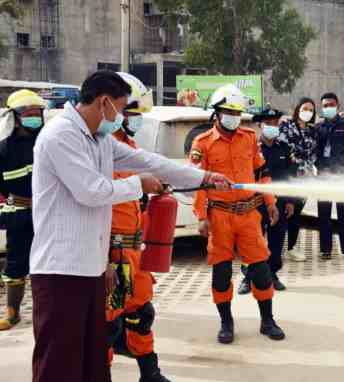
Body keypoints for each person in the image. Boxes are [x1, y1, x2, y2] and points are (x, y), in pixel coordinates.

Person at [30, 70, 231, 382]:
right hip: (61, 271)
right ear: (105, 102)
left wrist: (204, 178)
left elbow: (150, 161)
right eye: (122, 109)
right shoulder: (61, 135)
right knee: (59, 363)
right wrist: (140, 185)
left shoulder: (100, 140)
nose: (122, 116)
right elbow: (91, 191)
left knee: (92, 360)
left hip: (90, 269)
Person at [190, 85, 285, 345]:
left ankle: (267, 320)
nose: (234, 116)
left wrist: (270, 201)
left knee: (262, 269)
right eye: (229, 111)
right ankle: (226, 322)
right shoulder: (203, 144)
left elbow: (262, 173)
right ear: (217, 113)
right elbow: (199, 182)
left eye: (237, 112)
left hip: (249, 215)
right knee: (221, 273)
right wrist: (201, 216)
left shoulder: (248, 138)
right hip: (219, 217)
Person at [105, 72, 170, 382]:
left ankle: (150, 372)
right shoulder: (98, 149)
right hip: (108, 253)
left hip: (134, 250)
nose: (137, 121)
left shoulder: (128, 147)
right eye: (132, 114)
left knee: (141, 314)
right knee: (106, 324)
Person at [0, 90, 47, 331]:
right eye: (28, 114)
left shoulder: (48, 141)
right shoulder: (4, 149)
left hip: (49, 213)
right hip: (19, 214)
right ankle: (13, 313)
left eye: (37, 113)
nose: (34, 118)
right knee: (16, 263)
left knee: (49, 264)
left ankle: (47, 312)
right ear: (16, 117)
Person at [238, 108, 295, 294]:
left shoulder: (284, 149)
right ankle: (248, 277)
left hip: (278, 201)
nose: (272, 127)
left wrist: (289, 201)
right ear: (259, 125)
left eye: (275, 124)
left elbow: (289, 178)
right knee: (253, 240)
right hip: (255, 202)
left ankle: (272, 274)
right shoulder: (251, 148)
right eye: (268, 124)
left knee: (277, 240)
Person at [315, 92, 344, 260]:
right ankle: (325, 250)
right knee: (324, 214)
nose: (328, 108)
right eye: (325, 106)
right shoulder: (318, 127)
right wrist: (320, 166)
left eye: (331, 105)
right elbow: (314, 152)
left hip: (341, 175)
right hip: (323, 175)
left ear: (337, 106)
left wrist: (337, 166)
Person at [277, 98, 319, 262]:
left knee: (296, 214)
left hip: (305, 178)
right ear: (298, 109)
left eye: (311, 109)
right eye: (305, 108)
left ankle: (292, 247)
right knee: (284, 212)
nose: (307, 112)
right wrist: (296, 158)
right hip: (289, 177)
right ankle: (276, 246)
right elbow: (284, 148)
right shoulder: (287, 126)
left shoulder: (312, 131)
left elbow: (314, 153)